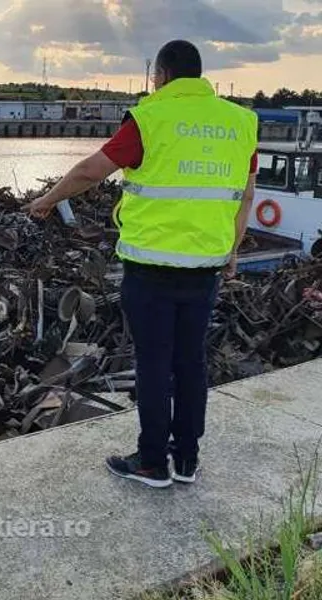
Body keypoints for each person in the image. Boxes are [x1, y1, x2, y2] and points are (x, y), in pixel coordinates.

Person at [24, 40, 258, 489]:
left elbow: (92, 171)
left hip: (151, 266)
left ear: (164, 76)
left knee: (154, 362)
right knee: (191, 362)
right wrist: (232, 250)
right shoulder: (241, 122)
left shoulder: (150, 118)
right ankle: (186, 460)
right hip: (205, 267)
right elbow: (245, 195)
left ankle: (152, 461)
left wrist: (48, 199)